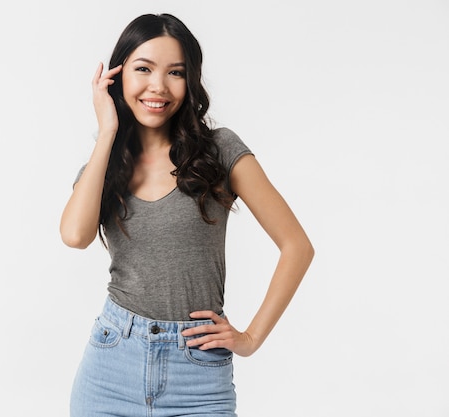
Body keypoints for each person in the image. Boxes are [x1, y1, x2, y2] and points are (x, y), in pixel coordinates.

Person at [60, 13, 314, 417]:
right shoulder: (105, 164)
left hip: (198, 372)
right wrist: (107, 130)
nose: (158, 86)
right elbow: (75, 235)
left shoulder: (219, 151)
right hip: (111, 364)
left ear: (190, 80)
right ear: (118, 75)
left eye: (175, 72)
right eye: (143, 69)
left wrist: (249, 338)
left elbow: (297, 246)